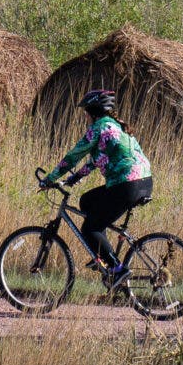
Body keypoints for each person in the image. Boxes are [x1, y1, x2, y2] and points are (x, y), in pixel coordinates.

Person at [38, 88, 154, 272]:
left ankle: (117, 270)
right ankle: (101, 252)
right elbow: (97, 159)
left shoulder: (98, 128)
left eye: (85, 112)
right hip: (144, 183)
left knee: (90, 229)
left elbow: (73, 156)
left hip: (126, 185)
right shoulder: (117, 126)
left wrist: (49, 179)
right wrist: (75, 177)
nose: (85, 117)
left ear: (92, 111)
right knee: (87, 201)